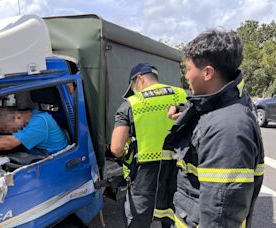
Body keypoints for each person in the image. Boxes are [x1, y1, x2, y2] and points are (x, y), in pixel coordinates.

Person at [164, 29, 264, 227]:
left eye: (188, 69)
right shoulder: (223, 107)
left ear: (208, 73)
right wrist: (187, 112)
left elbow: (220, 214)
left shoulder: (229, 129)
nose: (186, 76)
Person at [110, 63, 187, 228]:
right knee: (174, 215)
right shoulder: (182, 95)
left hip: (145, 174)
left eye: (133, 86)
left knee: (139, 220)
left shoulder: (131, 104)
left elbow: (116, 149)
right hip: (178, 168)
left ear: (139, 79)